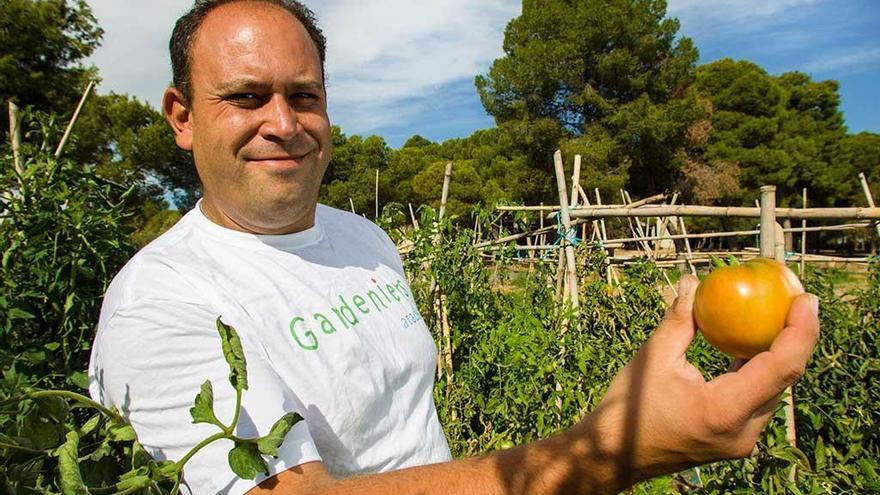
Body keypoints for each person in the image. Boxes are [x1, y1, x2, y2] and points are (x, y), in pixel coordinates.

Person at [88, 1, 821, 494]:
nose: (284, 122)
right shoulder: (162, 304)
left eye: (304, 95)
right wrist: (603, 449)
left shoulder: (365, 239)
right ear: (182, 117)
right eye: (246, 96)